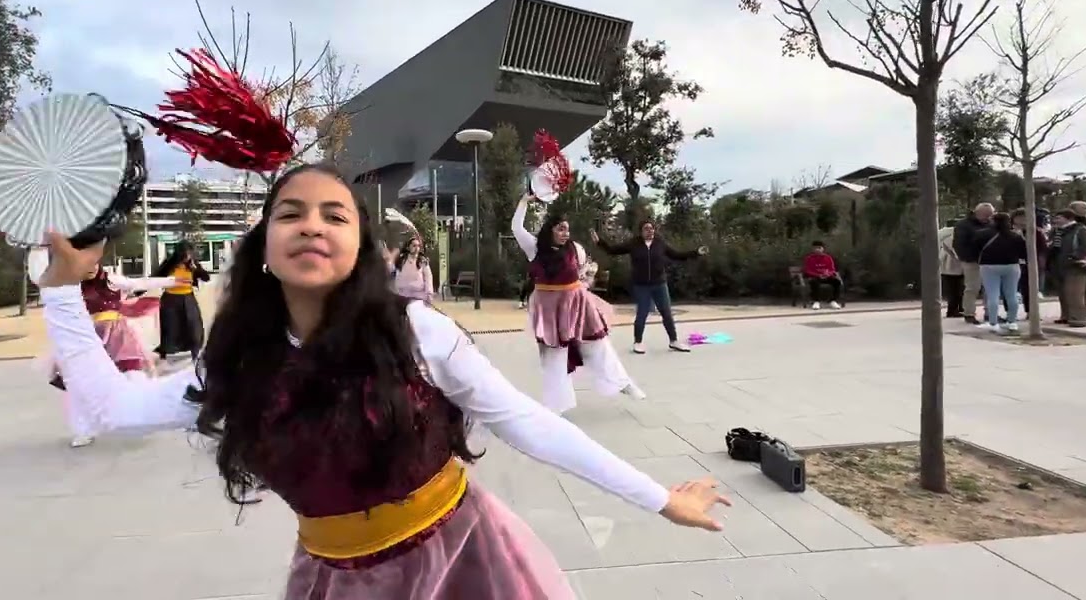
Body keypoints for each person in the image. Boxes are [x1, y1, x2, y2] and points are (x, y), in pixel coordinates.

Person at [38, 164, 729, 599]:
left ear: (361, 250)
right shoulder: (235, 363)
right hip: (336, 582)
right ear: (266, 252)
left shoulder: (416, 331)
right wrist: (63, 292)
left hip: (467, 563)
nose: (312, 225)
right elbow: (107, 408)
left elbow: (526, 420)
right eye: (291, 213)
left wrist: (659, 498)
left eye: (334, 215)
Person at [512, 194, 644, 413]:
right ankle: (556, 406)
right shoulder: (534, 248)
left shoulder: (576, 249)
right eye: (561, 229)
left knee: (598, 345)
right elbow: (517, 228)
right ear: (550, 229)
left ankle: (623, 383)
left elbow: (583, 273)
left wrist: (585, 281)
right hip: (549, 309)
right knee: (553, 356)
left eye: (567, 229)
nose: (565, 233)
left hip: (577, 304)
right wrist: (524, 202)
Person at [50, 263, 187, 448]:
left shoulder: (112, 281)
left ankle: (148, 414)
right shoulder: (73, 288)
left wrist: (170, 281)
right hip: (89, 338)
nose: (89, 267)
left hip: (119, 336)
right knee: (79, 386)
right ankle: (83, 430)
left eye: (93, 262)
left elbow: (139, 283)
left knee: (134, 375)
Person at [590, 220, 708, 354]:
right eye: (646, 229)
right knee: (642, 314)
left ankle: (674, 341)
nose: (650, 231)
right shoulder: (634, 244)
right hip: (641, 285)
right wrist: (599, 242)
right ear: (641, 231)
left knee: (667, 313)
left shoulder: (660, 243)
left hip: (659, 284)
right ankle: (638, 342)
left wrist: (696, 252)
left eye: (652, 228)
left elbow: (677, 255)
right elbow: (613, 250)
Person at [153, 241, 211, 360]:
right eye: (186, 254)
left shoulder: (192, 264)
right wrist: (137, 292)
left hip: (188, 298)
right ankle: (165, 352)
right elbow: (155, 278)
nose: (188, 256)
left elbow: (206, 278)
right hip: (170, 300)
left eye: (190, 253)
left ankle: (195, 352)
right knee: (171, 328)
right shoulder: (169, 264)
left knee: (194, 327)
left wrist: (197, 270)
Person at [977, 212, 1026, 333]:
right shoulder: (1016, 236)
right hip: (1012, 265)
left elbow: (974, 249)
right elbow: (1023, 252)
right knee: (1012, 294)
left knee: (992, 295)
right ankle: (1012, 322)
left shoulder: (983, 234)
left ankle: (993, 322)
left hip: (989, 265)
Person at [1052, 208, 1086, 328]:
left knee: (1075, 293)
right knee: (1064, 293)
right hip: (1060, 266)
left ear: (1068, 218)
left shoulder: (1081, 230)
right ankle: (1066, 316)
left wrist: (1075, 257)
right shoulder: (1058, 231)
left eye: (1058, 217)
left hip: (1077, 266)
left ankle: (1079, 319)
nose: (1055, 220)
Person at [953, 202, 995, 324]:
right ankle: (969, 313)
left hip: (990, 261)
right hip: (972, 260)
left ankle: (990, 313)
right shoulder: (964, 225)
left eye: (990, 215)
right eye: (986, 215)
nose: (988, 218)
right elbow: (959, 244)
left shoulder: (992, 225)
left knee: (991, 288)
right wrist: (966, 258)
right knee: (972, 287)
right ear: (977, 213)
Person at [801, 240, 844, 310]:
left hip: (827, 276)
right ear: (813, 249)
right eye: (815, 248)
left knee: (837, 282)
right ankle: (816, 301)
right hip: (815, 277)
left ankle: (833, 301)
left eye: (819, 248)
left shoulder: (828, 258)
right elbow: (807, 270)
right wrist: (818, 275)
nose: (817, 249)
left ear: (823, 249)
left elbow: (832, 269)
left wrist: (828, 274)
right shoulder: (809, 258)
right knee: (814, 282)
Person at [392, 235, 434, 303]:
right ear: (408, 247)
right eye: (414, 246)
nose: (417, 248)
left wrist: (429, 294)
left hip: (418, 297)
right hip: (402, 296)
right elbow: (393, 273)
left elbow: (428, 278)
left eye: (418, 246)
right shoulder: (401, 260)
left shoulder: (422, 261)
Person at [938, 221, 965, 318]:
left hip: (946, 266)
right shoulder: (952, 236)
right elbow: (956, 251)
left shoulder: (941, 235)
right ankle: (954, 310)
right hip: (956, 265)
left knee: (953, 290)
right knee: (957, 289)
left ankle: (955, 309)